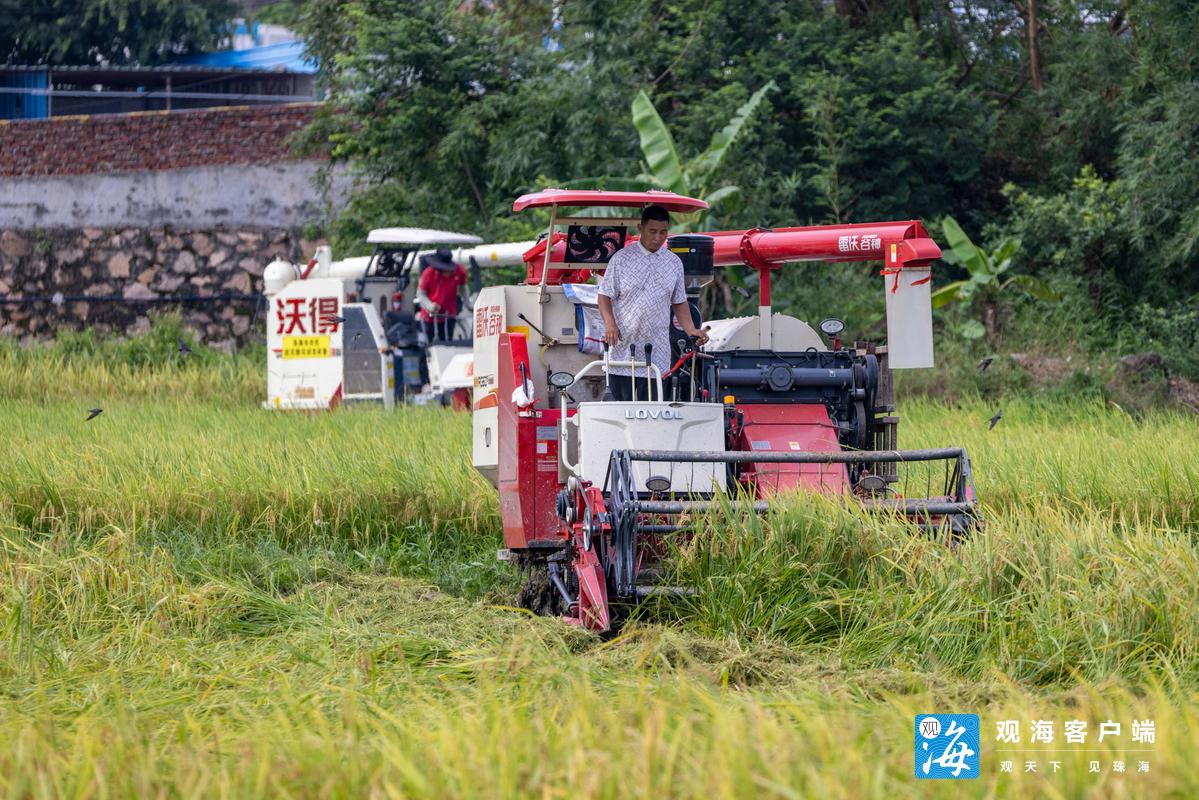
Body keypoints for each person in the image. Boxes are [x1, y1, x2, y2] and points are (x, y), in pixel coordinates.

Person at [597, 204, 709, 401]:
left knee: (653, 414)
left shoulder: (674, 263)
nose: (658, 238)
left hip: (657, 354)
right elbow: (604, 295)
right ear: (640, 229)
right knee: (619, 413)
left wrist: (691, 330)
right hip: (623, 353)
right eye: (652, 231)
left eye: (663, 232)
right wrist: (610, 324)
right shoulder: (621, 259)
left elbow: (679, 301)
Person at [416, 247, 468, 342]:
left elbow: (463, 288)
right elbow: (420, 294)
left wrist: (468, 304)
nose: (447, 272)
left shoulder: (459, 271)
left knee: (447, 343)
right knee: (430, 344)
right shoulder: (428, 273)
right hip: (429, 317)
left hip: (449, 315)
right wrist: (430, 306)